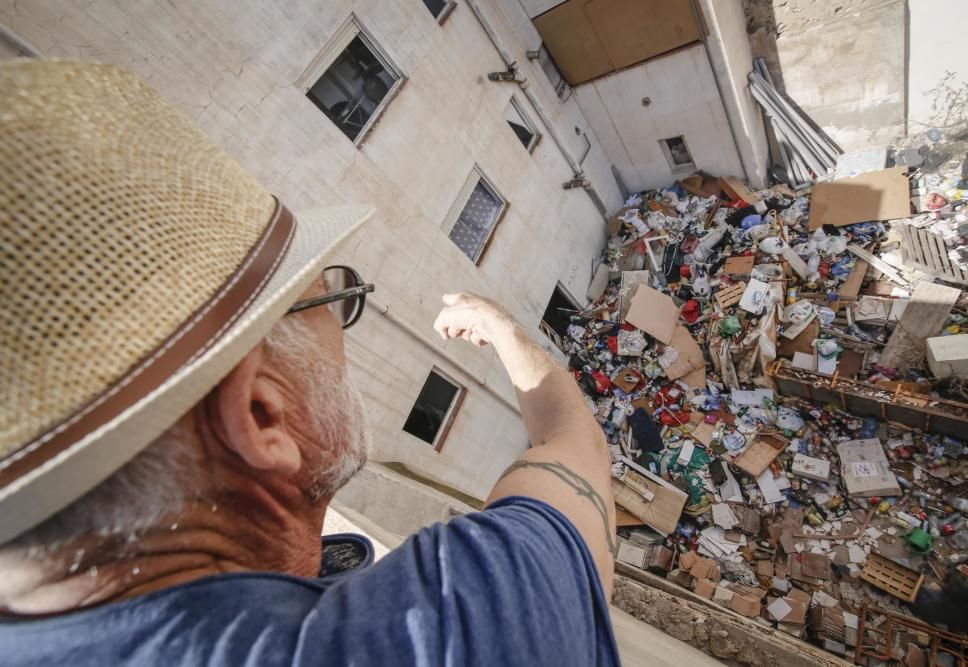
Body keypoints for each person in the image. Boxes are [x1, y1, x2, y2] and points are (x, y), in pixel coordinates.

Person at [0, 60, 619, 665]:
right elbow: (575, 445)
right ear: (260, 414)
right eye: (331, 297)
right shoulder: (451, 627)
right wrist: (506, 331)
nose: (343, 327)